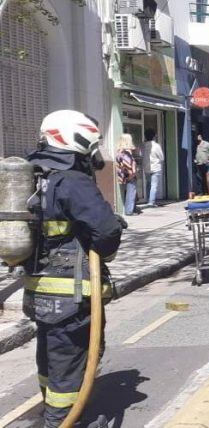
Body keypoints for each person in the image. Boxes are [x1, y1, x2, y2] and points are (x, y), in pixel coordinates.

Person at [24, 110, 123, 427]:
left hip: (41, 295)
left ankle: (55, 413)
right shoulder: (74, 181)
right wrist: (107, 239)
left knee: (51, 360)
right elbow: (106, 232)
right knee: (70, 363)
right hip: (73, 298)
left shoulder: (39, 178)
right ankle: (62, 422)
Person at [116, 134, 138, 216]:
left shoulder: (119, 152)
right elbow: (129, 165)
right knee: (131, 192)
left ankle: (131, 208)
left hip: (123, 176)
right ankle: (129, 210)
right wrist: (132, 174)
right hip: (129, 176)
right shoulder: (126, 153)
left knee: (129, 192)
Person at [142, 129, 164, 207]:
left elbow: (142, 155)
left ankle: (148, 200)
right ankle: (151, 202)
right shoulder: (156, 146)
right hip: (156, 168)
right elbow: (161, 157)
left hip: (146, 168)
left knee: (148, 184)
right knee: (154, 185)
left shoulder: (143, 145)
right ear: (154, 136)